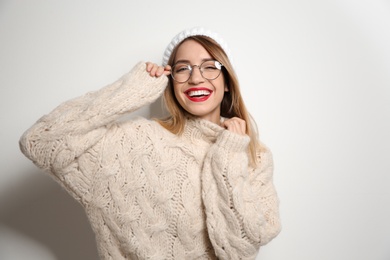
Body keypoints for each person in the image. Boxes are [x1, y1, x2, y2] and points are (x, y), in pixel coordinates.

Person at [19, 27, 281, 260]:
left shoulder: (253, 156)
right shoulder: (136, 142)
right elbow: (41, 141)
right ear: (171, 82)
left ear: (227, 83)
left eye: (210, 66)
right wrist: (132, 89)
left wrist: (229, 154)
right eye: (182, 68)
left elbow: (240, 251)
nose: (196, 78)